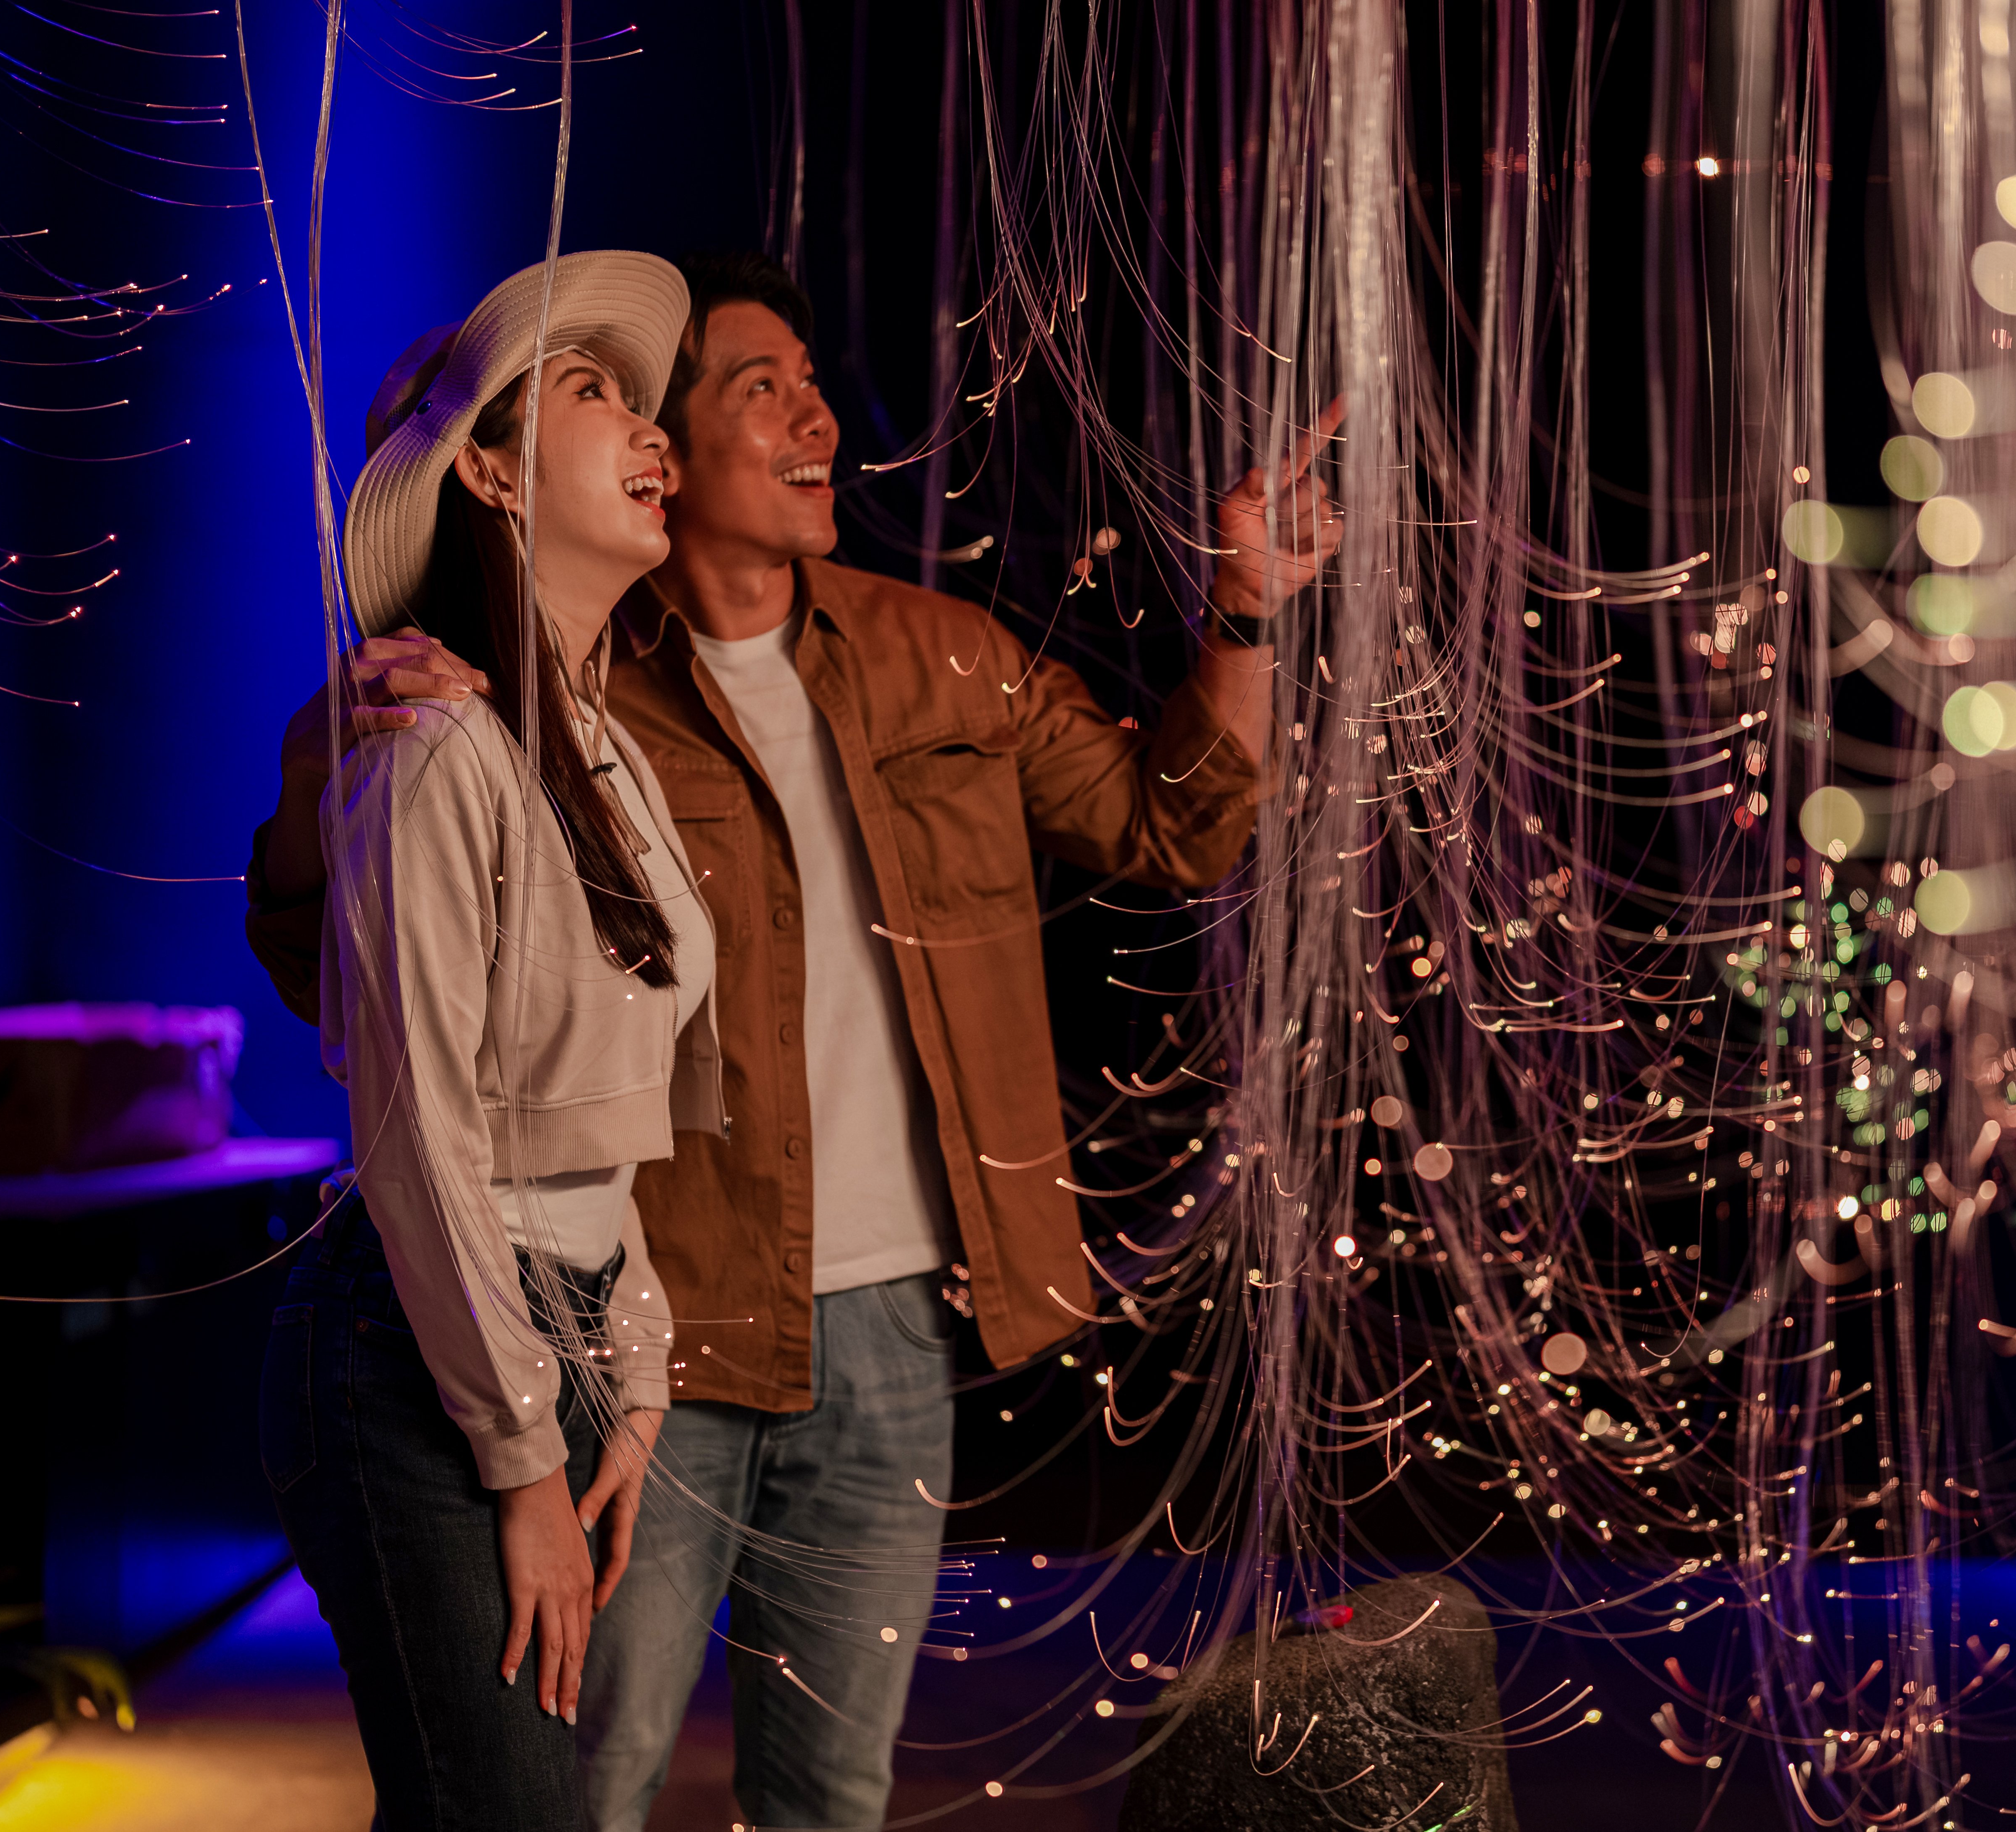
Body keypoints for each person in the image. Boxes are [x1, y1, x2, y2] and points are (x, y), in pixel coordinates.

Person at [245, 250, 1341, 1829]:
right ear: (665, 456)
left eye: (811, 382)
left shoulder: (936, 653)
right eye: (753, 387)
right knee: (575, 1778)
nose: (811, 412)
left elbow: (1174, 827)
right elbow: (367, 1005)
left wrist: (1242, 604)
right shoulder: (527, 702)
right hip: (653, 1318)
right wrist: (317, 770)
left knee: (826, 1791)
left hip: (875, 1326)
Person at [257, 251, 720, 1830]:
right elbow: (421, 1132)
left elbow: (603, 1117)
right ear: (492, 471)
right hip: (417, 1342)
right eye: (594, 394)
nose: (653, 429)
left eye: (647, 402)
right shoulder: (433, 744)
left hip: (562, 1332)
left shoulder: (607, 757)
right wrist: (524, 1454)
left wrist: (634, 1362)